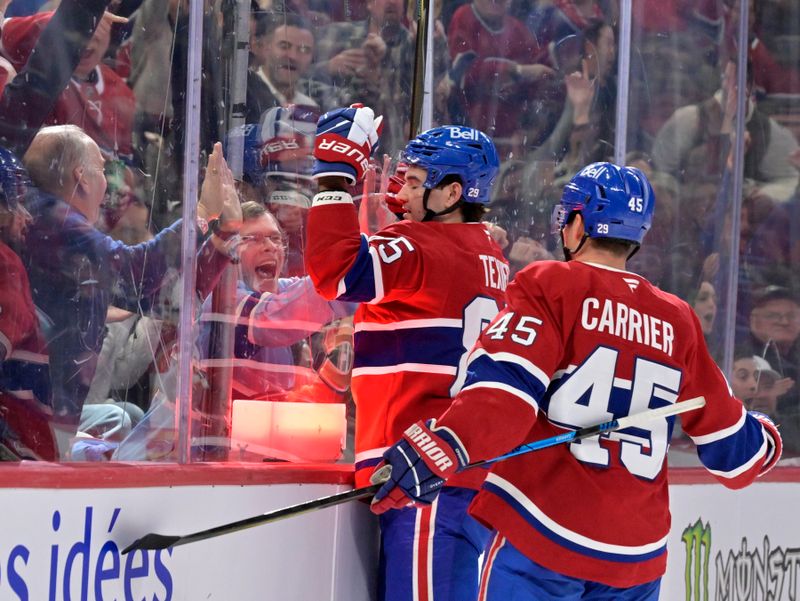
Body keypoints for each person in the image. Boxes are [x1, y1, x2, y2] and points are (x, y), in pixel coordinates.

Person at [370, 161, 783, 600]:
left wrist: (445, 442)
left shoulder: (551, 284)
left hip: (545, 538)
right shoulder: (677, 317)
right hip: (636, 559)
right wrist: (767, 436)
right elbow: (735, 456)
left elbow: (504, 392)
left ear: (579, 222)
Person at [306, 105, 508, 601]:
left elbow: (334, 272)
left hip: (422, 472)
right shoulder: (490, 253)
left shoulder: (420, 245)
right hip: (462, 472)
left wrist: (335, 179)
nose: (403, 191)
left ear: (453, 192)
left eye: (417, 181)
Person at [21, 126, 240, 456]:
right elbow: (136, 272)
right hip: (29, 419)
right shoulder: (51, 219)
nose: (108, 184)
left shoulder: (50, 219)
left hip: (46, 413)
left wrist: (222, 238)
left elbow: (155, 300)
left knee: (121, 423)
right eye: (103, 169)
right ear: (81, 176)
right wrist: (200, 214)